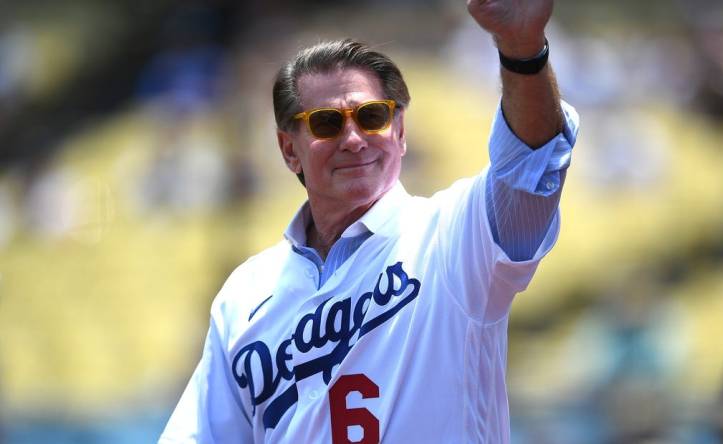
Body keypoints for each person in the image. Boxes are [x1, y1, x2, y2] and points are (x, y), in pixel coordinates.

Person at [160, 0, 579, 442]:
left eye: (372, 116)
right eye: (326, 124)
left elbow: (532, 164)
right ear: (288, 150)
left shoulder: (453, 234)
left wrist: (522, 49)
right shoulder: (244, 295)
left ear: (399, 132)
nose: (354, 139)